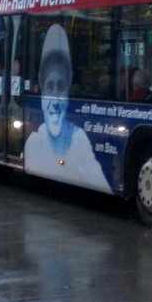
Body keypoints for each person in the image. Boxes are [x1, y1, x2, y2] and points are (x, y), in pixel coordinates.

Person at [24, 24, 110, 193]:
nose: (55, 102)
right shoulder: (33, 144)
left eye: (61, 87)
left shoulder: (79, 140)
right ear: (41, 93)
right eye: (49, 87)